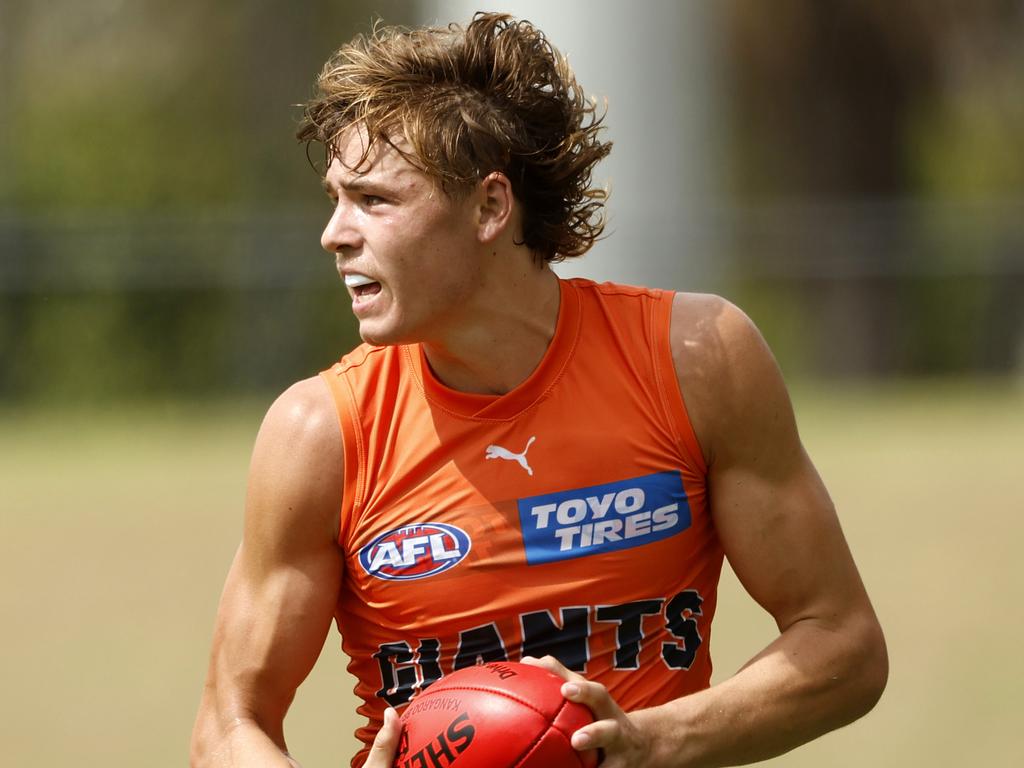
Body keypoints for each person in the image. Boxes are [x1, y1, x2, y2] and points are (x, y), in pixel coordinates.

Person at [190, 12, 887, 768]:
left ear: (491, 207)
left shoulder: (696, 359)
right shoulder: (318, 432)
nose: (334, 232)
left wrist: (658, 739)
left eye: (375, 201)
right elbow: (230, 723)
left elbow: (842, 645)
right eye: (336, 198)